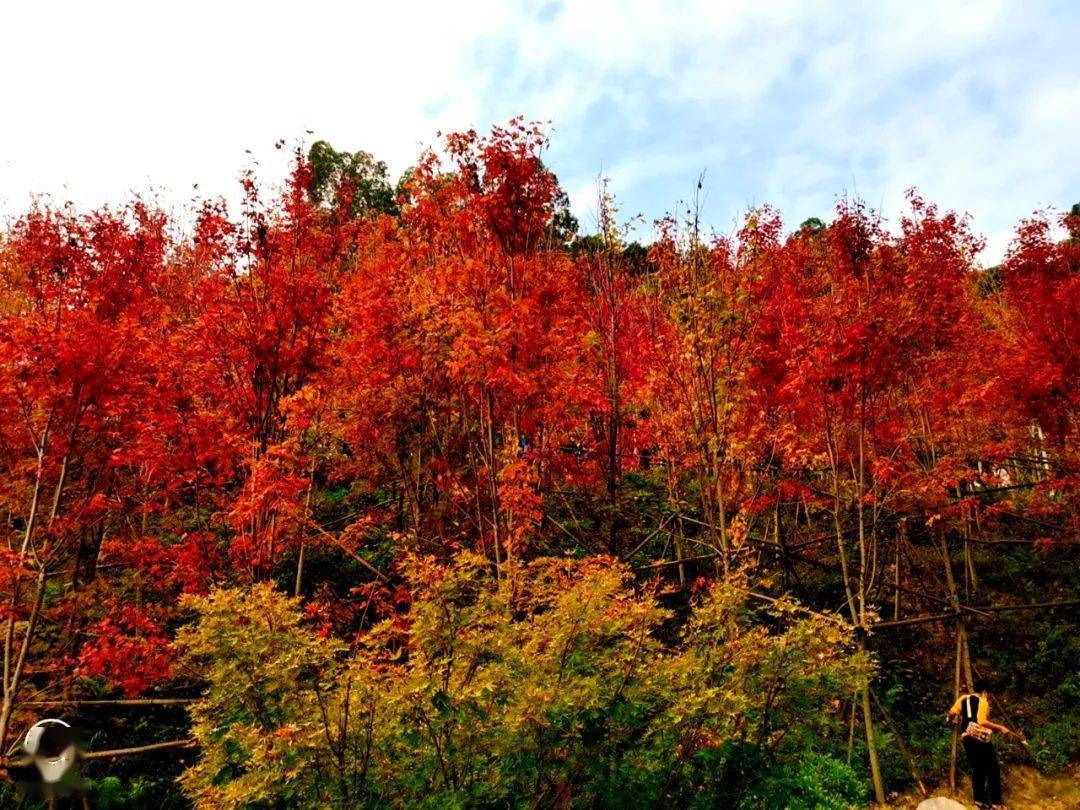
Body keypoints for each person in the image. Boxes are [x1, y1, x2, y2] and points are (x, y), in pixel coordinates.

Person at [947, 678, 1017, 810]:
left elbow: (951, 713)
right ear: (984, 692)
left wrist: (950, 721)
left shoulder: (963, 699)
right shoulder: (983, 701)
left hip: (967, 738)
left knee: (977, 769)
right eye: (988, 694)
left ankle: (979, 802)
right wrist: (1001, 727)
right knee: (993, 769)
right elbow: (982, 721)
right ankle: (996, 804)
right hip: (980, 738)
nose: (988, 696)